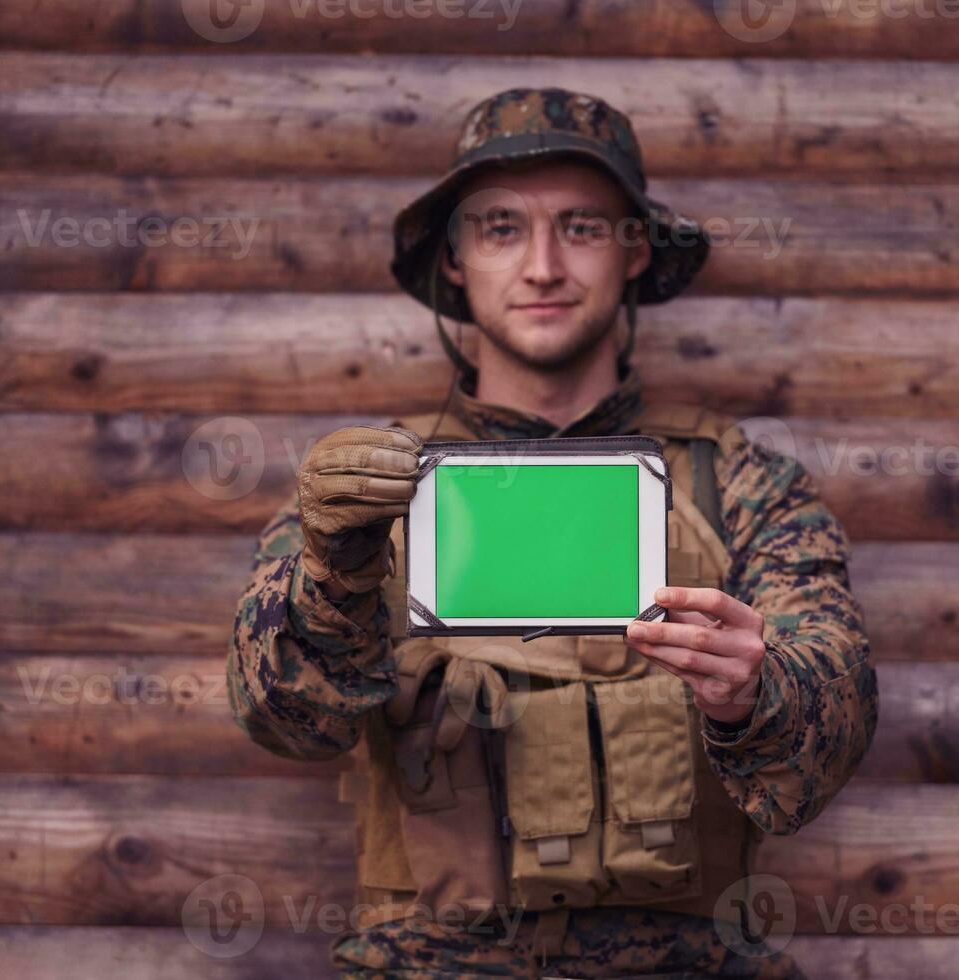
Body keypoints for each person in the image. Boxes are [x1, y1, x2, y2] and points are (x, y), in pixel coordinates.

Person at [226, 87, 878, 980]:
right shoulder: (367, 491)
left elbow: (833, 723)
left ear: (636, 250)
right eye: (500, 228)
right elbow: (283, 721)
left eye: (581, 227)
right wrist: (334, 569)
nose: (542, 266)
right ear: (454, 259)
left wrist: (757, 690)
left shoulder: (738, 484)